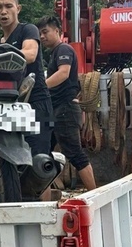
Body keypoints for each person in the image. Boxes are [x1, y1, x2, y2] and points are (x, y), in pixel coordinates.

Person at [37, 16, 97, 196]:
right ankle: (44, 201)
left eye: (45, 32)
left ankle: (96, 195)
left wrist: (40, 87)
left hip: (65, 110)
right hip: (54, 110)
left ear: (57, 31)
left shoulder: (64, 49)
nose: (42, 36)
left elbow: (63, 74)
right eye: (40, 33)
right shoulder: (54, 53)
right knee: (42, 153)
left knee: (75, 154)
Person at [0, 0, 52, 159]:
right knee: (14, 161)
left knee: (38, 163)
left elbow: (30, 54)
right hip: (10, 108)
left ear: (18, 9)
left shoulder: (28, 30)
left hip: (36, 105)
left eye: (9, 6)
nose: (4, 11)